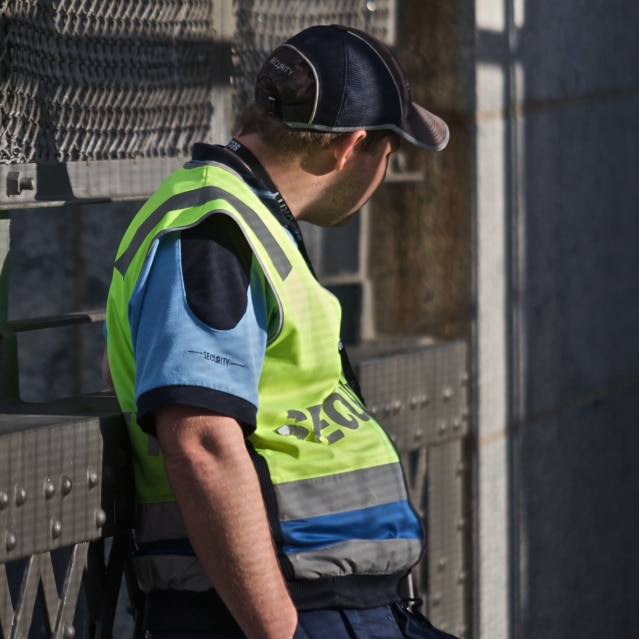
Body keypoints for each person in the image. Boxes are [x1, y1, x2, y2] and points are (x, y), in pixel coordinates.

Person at [104, 23, 456, 639]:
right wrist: (279, 631)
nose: (382, 170)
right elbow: (202, 440)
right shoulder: (215, 228)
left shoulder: (247, 219)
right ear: (349, 148)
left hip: (339, 606)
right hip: (293, 612)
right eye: (387, 150)